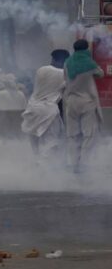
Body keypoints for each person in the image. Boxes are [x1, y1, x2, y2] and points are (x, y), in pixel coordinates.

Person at [63, 39, 104, 173]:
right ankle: (84, 165)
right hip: (87, 102)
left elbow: (65, 79)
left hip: (71, 101)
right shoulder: (89, 63)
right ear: (86, 49)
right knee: (89, 134)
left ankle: (73, 163)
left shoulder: (67, 62)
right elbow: (100, 74)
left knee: (72, 134)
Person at [21, 50, 69, 157]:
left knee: (35, 142)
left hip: (32, 109)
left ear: (53, 59)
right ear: (63, 61)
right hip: (48, 111)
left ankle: (37, 162)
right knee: (51, 143)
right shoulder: (63, 74)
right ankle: (47, 165)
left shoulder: (41, 70)